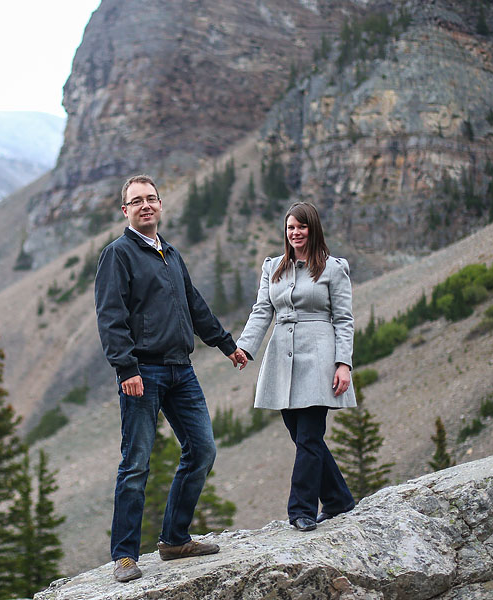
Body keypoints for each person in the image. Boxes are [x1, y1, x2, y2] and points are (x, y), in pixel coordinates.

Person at [94, 174, 249, 582]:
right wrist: (126, 368)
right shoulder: (117, 254)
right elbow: (110, 316)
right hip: (143, 372)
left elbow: (194, 305)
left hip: (182, 369)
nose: (145, 205)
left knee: (202, 450)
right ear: (125, 210)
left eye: (151, 199)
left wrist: (226, 344)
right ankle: (124, 556)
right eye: (137, 201)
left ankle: (174, 540)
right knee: (136, 463)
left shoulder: (171, 254)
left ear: (160, 205)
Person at [236, 201, 356, 532]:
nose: (295, 232)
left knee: (309, 436)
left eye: (301, 227)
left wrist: (343, 364)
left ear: (313, 229)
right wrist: (245, 347)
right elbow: (263, 309)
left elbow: (344, 319)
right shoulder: (273, 267)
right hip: (282, 356)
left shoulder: (333, 268)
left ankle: (301, 510)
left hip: (319, 356)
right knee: (302, 436)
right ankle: (338, 499)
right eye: (290, 227)